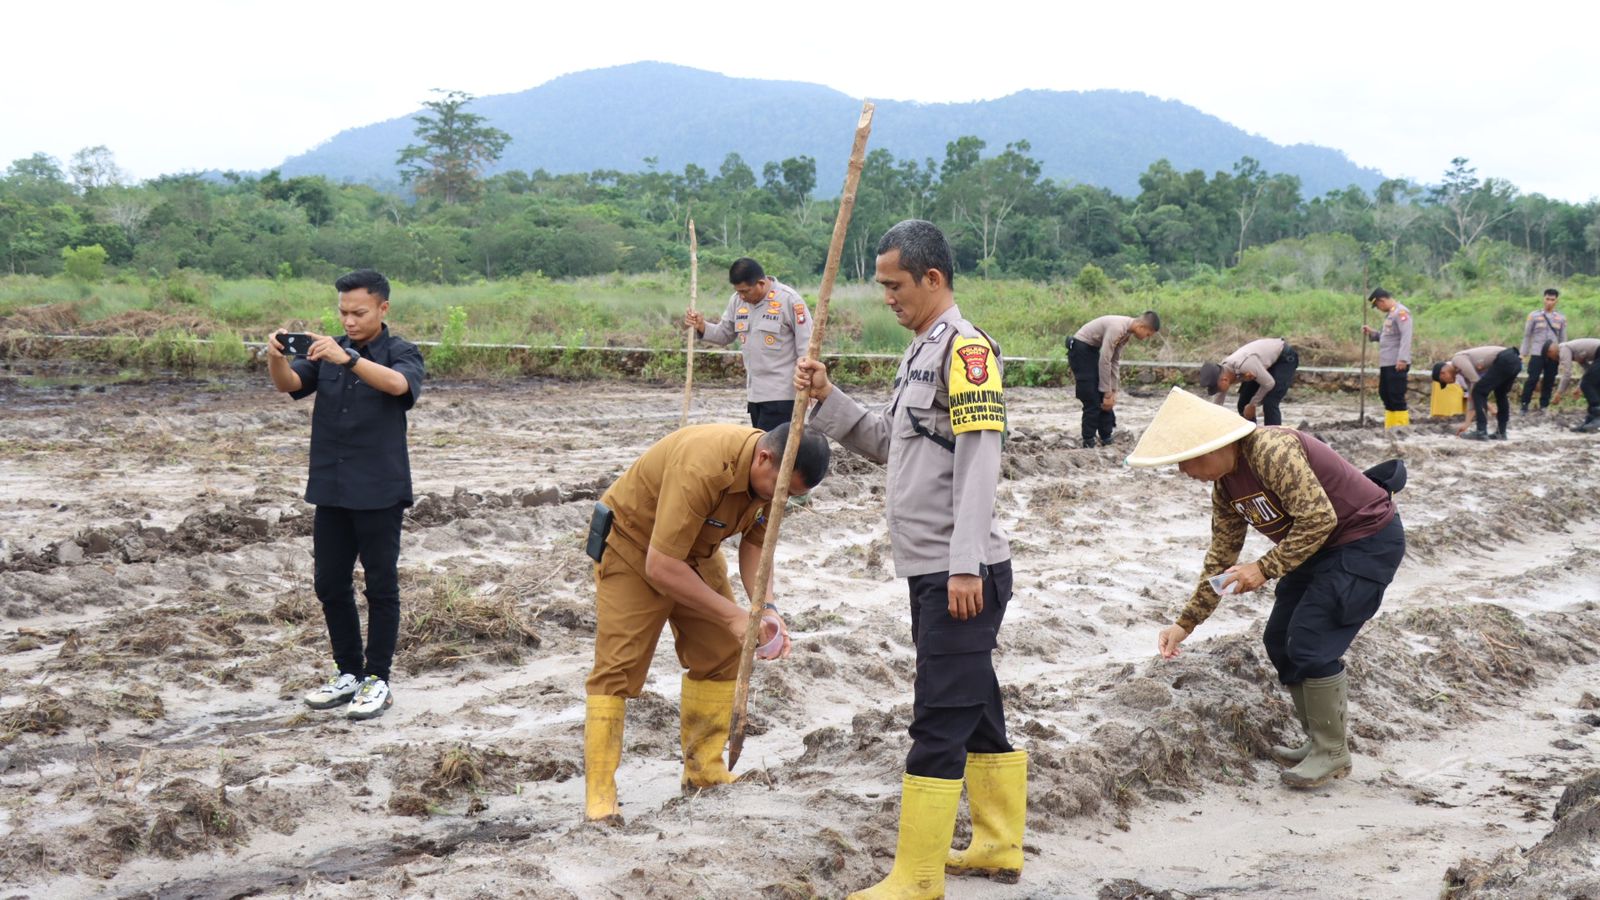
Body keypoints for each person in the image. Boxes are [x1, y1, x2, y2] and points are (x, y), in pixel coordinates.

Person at [794, 220, 1024, 898]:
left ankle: (917, 877)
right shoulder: (921, 351)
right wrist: (827, 400)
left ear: (932, 279)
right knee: (974, 702)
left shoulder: (967, 350)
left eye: (895, 286)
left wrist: (963, 565)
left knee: (938, 715)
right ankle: (998, 843)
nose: (887, 298)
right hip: (929, 565)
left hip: (961, 570)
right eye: (881, 286)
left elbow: (982, 462)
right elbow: (888, 441)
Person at [1129, 387, 1405, 789]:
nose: (1183, 473)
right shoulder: (1226, 487)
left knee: (1310, 641)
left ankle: (1332, 752)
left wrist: (1264, 567)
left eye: (1184, 462)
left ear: (1211, 447)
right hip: (1316, 548)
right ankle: (1318, 742)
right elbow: (1221, 556)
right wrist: (1184, 624)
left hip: (1364, 542)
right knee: (1279, 639)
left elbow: (1317, 519)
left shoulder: (1271, 451)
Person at [582, 422, 829, 824]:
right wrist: (734, 615)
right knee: (618, 668)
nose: (780, 500)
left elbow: (755, 544)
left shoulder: (774, 483)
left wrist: (767, 609)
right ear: (765, 458)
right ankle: (600, 795)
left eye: (792, 497)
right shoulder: (704, 464)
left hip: (696, 552)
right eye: (778, 491)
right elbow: (661, 566)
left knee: (722, 653)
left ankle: (704, 771)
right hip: (633, 547)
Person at [266, 269, 424, 721]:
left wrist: (349, 358)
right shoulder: (325, 351)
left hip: (379, 489)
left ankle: (379, 680)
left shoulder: (401, 352)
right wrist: (274, 355)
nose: (350, 321)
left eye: (359, 312)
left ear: (382, 309)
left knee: (380, 586)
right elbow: (288, 384)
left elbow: (398, 386)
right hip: (332, 488)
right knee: (330, 584)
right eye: (343, 312)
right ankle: (349, 673)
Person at [684, 258, 814, 430]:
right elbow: (724, 334)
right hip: (755, 395)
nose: (742, 296)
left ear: (761, 283)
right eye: (738, 292)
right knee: (764, 448)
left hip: (783, 395)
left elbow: (807, 347)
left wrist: (808, 382)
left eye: (746, 291)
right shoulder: (737, 301)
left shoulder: (789, 300)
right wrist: (701, 325)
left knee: (771, 450)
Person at [1066, 311, 1162, 448]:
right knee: (1092, 397)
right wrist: (1107, 393)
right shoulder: (1117, 328)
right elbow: (1105, 360)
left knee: (1106, 398)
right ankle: (1088, 440)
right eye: (1148, 334)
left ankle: (1106, 436)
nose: (1146, 338)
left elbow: (1114, 361)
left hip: (1092, 351)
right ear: (1141, 327)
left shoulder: (1126, 333)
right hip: (1080, 349)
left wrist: (1113, 390)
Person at [1198, 338, 1300, 426]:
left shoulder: (1245, 366)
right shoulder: (1223, 371)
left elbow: (1269, 383)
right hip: (1259, 364)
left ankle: (1274, 440)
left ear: (1225, 380)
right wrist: (1211, 420)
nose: (1218, 391)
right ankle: (1251, 437)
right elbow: (1218, 403)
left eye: (1217, 388)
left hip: (1283, 358)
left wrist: (1253, 404)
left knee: (1270, 402)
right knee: (1243, 403)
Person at [1432, 346, 1522, 440]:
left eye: (1444, 381)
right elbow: (1472, 397)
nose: (1448, 383)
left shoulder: (1457, 359)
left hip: (1506, 358)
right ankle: (1501, 432)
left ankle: (1481, 431)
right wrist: (1467, 423)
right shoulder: (1463, 373)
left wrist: (1474, 395)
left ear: (1443, 373)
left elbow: (1475, 382)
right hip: (1514, 360)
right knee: (1500, 393)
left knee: (1479, 391)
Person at [1361, 288, 1414, 429]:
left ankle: (1401, 428)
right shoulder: (1391, 315)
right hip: (1387, 363)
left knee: (1396, 396)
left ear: (1381, 301)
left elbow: (1406, 337)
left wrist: (1403, 359)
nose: (1378, 309)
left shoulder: (1401, 313)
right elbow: (1387, 337)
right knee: (1386, 394)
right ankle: (1390, 426)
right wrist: (1372, 333)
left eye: (1377, 306)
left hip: (1396, 363)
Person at [1519, 288, 1567, 413]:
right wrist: (1523, 353)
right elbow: (1527, 335)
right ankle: (1524, 404)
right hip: (1537, 352)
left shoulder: (1561, 318)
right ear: (1543, 299)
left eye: (1552, 299)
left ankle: (1543, 406)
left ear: (1556, 300)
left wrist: (1563, 356)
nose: (1549, 302)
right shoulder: (1534, 315)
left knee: (1549, 380)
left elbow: (1563, 339)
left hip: (1553, 355)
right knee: (1532, 378)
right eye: (1547, 299)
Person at [1548, 338, 1600, 432]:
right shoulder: (1574, 351)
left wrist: (1559, 393)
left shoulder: (1563, 348)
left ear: (1550, 351)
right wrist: (1579, 387)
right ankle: (1590, 421)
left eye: (1549, 356)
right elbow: (1588, 370)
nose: (1552, 359)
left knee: (1588, 384)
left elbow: (1567, 374)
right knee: (1592, 384)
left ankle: (1597, 417)